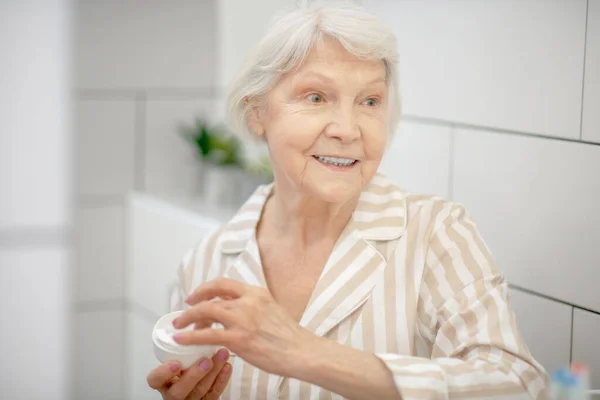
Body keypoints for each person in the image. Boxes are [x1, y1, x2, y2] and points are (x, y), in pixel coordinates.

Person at [146, 1, 549, 399]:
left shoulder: (435, 234)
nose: (347, 128)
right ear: (257, 113)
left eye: (369, 101)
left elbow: (519, 386)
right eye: (316, 97)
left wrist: (305, 352)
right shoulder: (206, 262)